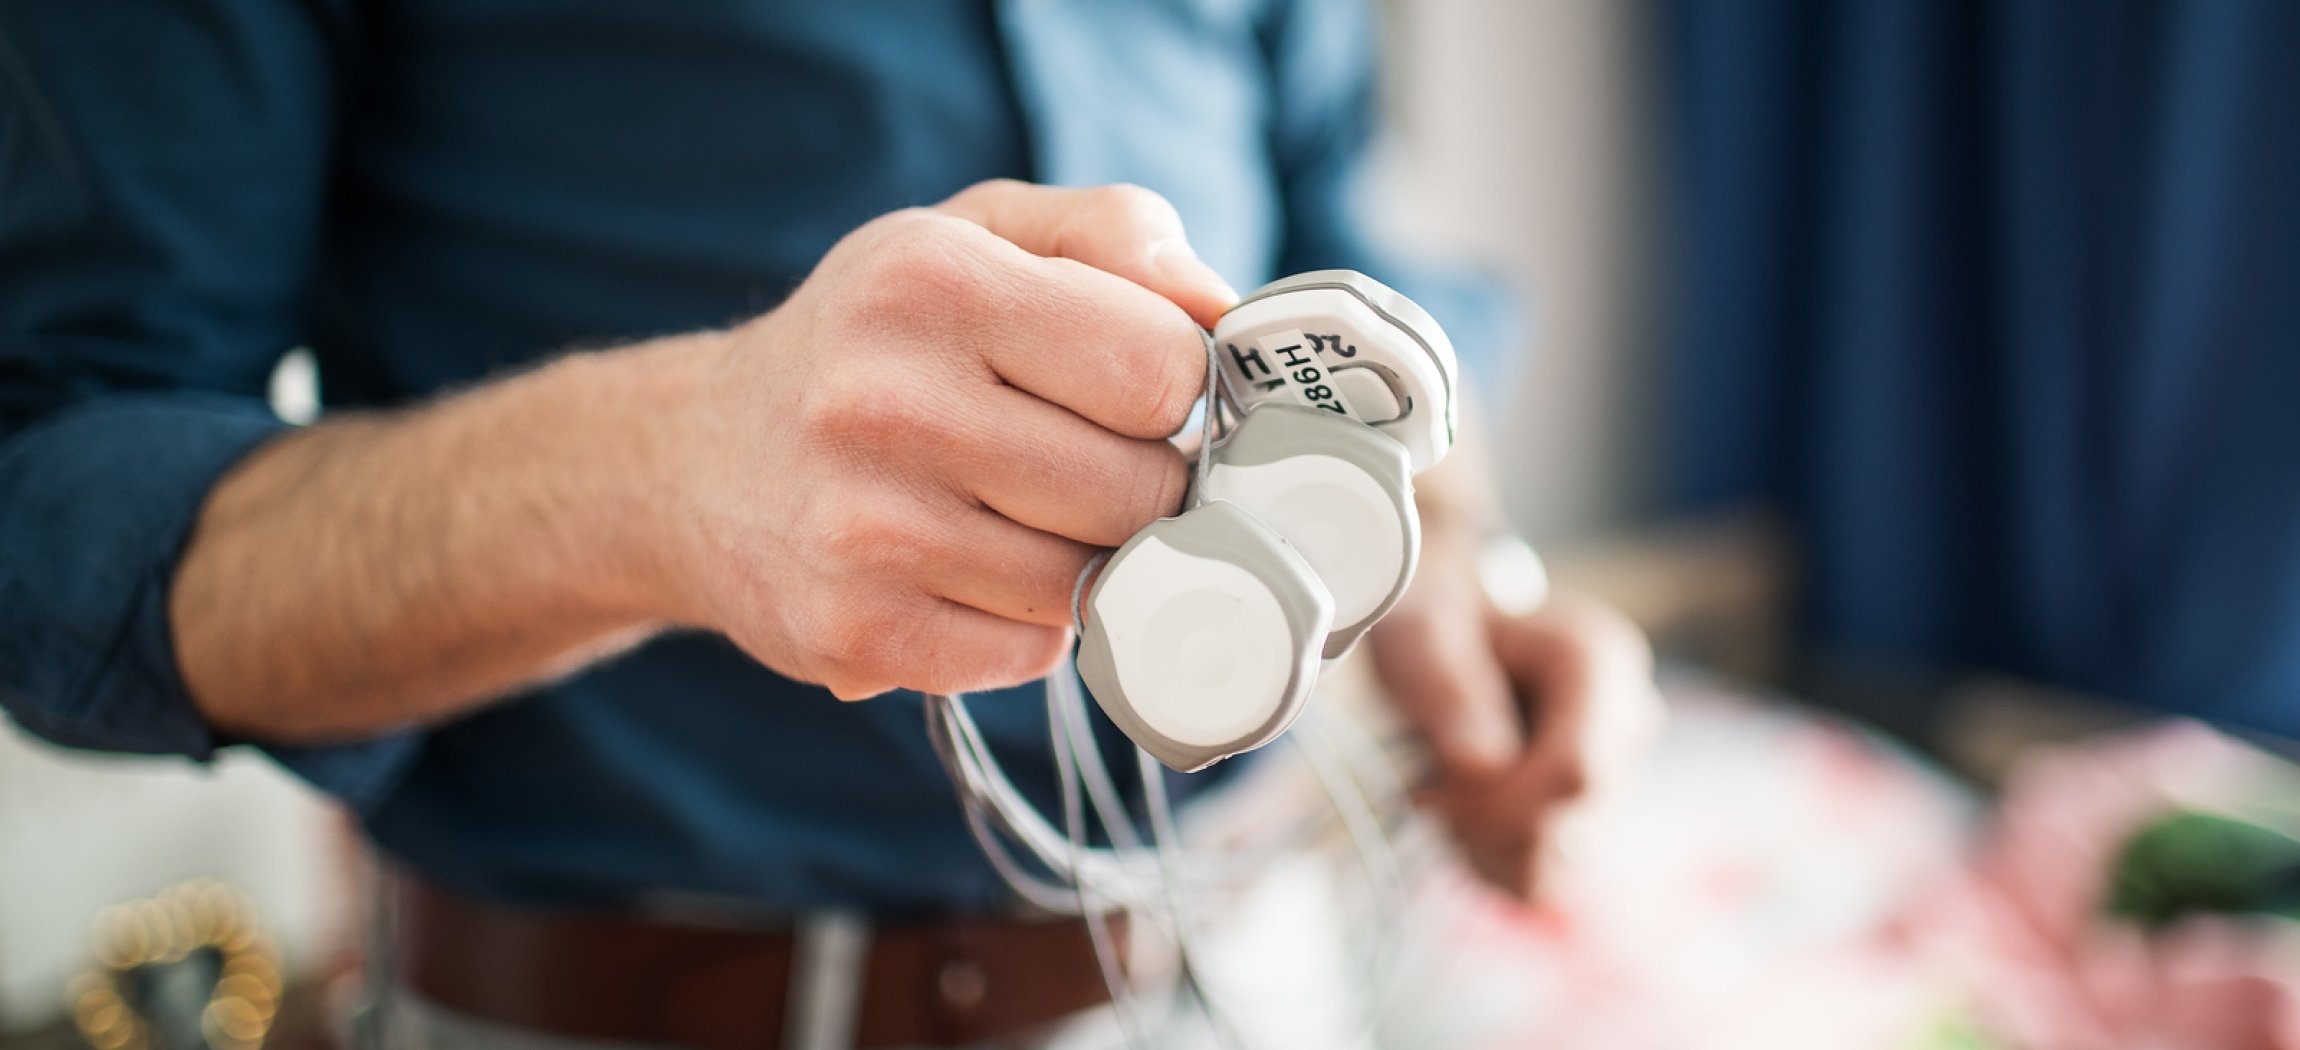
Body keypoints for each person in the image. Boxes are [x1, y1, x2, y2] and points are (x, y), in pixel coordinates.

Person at [0, 2, 1654, 1046]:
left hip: (1250, 973)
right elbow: (55, 513)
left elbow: (1348, 217)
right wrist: (668, 473)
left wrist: (1457, 556)